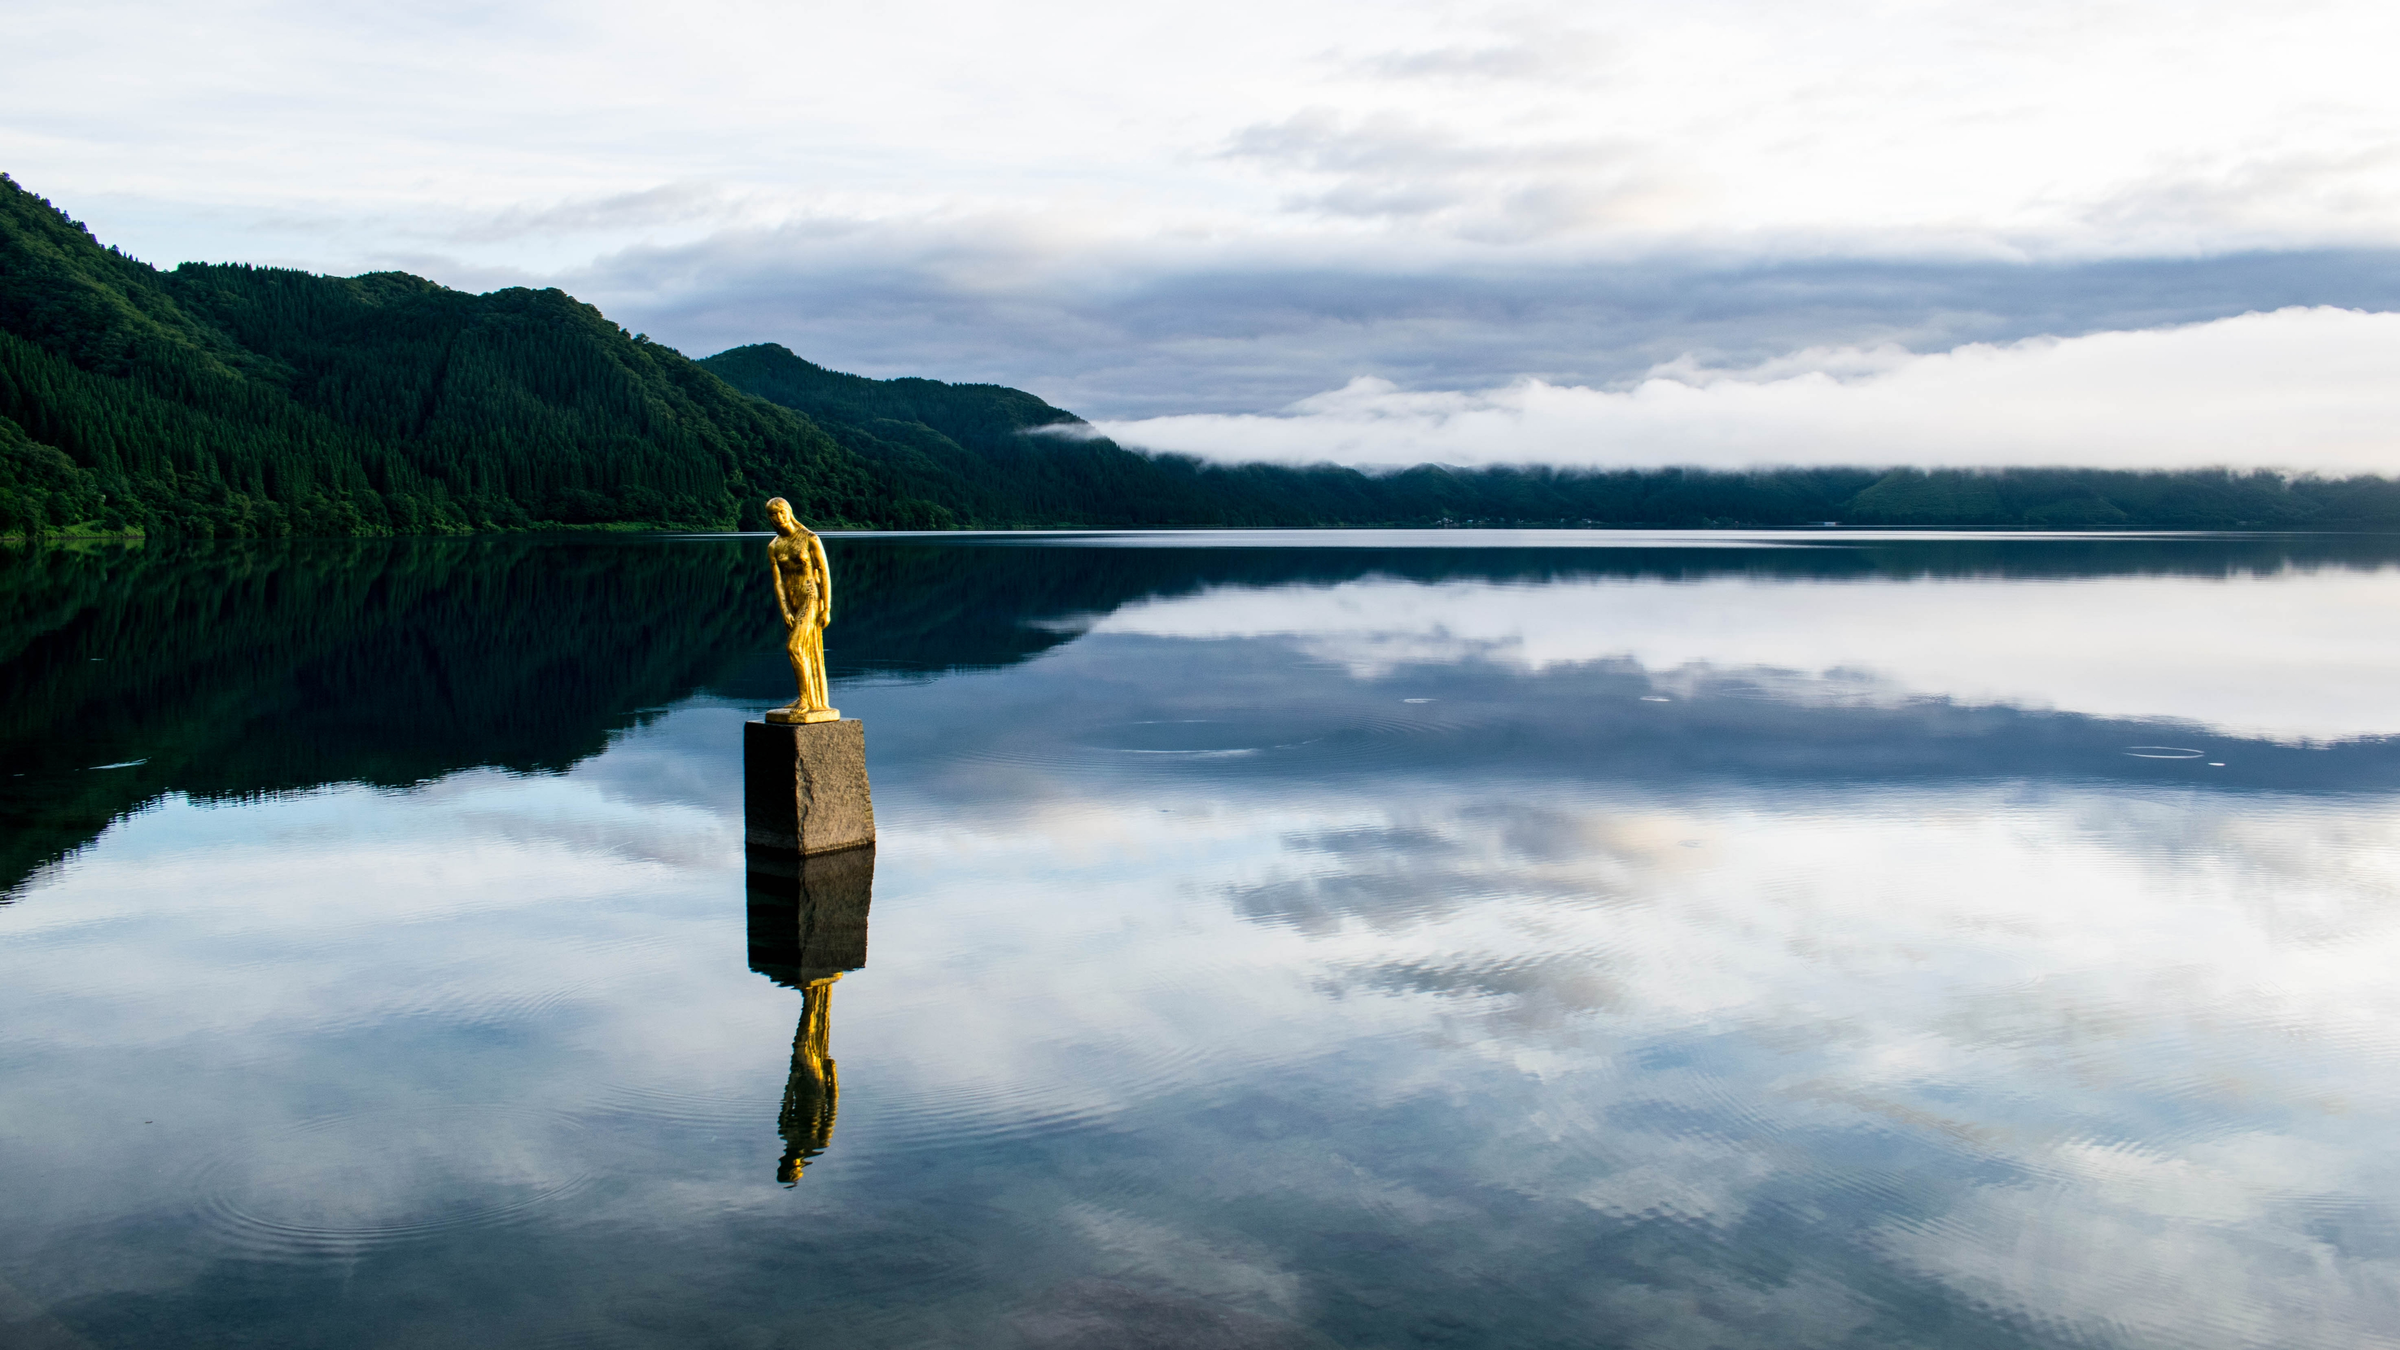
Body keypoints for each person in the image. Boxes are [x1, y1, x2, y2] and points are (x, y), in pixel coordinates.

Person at [764, 497, 839, 724]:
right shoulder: (774, 546)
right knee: (801, 651)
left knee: (794, 647)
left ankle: (806, 700)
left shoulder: (809, 539)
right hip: (792, 600)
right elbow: (777, 582)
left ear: (789, 511)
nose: (778, 517)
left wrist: (826, 606)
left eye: (781, 512)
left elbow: (824, 572)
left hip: (810, 597)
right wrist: (785, 610)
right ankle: (803, 697)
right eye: (773, 514)